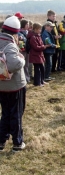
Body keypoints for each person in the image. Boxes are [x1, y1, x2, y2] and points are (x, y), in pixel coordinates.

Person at [0, 16, 26, 152]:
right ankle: (17, 142)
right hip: (15, 86)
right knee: (16, 114)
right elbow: (14, 64)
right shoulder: (9, 45)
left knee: (5, 113)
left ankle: (1, 141)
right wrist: (22, 60)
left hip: (1, 86)